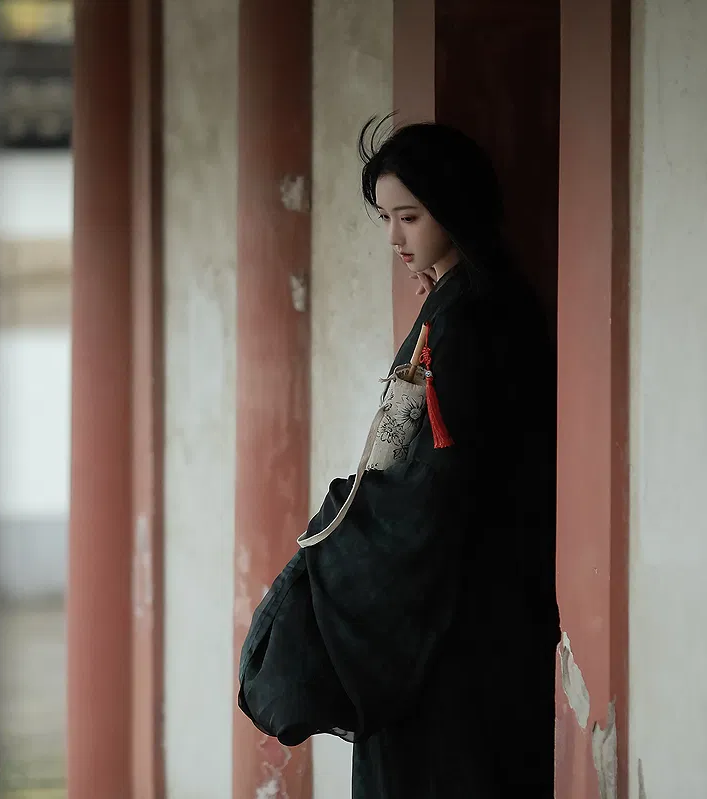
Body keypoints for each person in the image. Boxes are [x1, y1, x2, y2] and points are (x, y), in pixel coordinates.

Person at [239, 116, 559, 798]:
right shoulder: (463, 300)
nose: (394, 238)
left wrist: (336, 533)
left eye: (409, 218)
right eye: (386, 218)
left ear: (456, 208)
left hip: (459, 623)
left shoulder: (473, 317)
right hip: (468, 610)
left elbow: (441, 484)